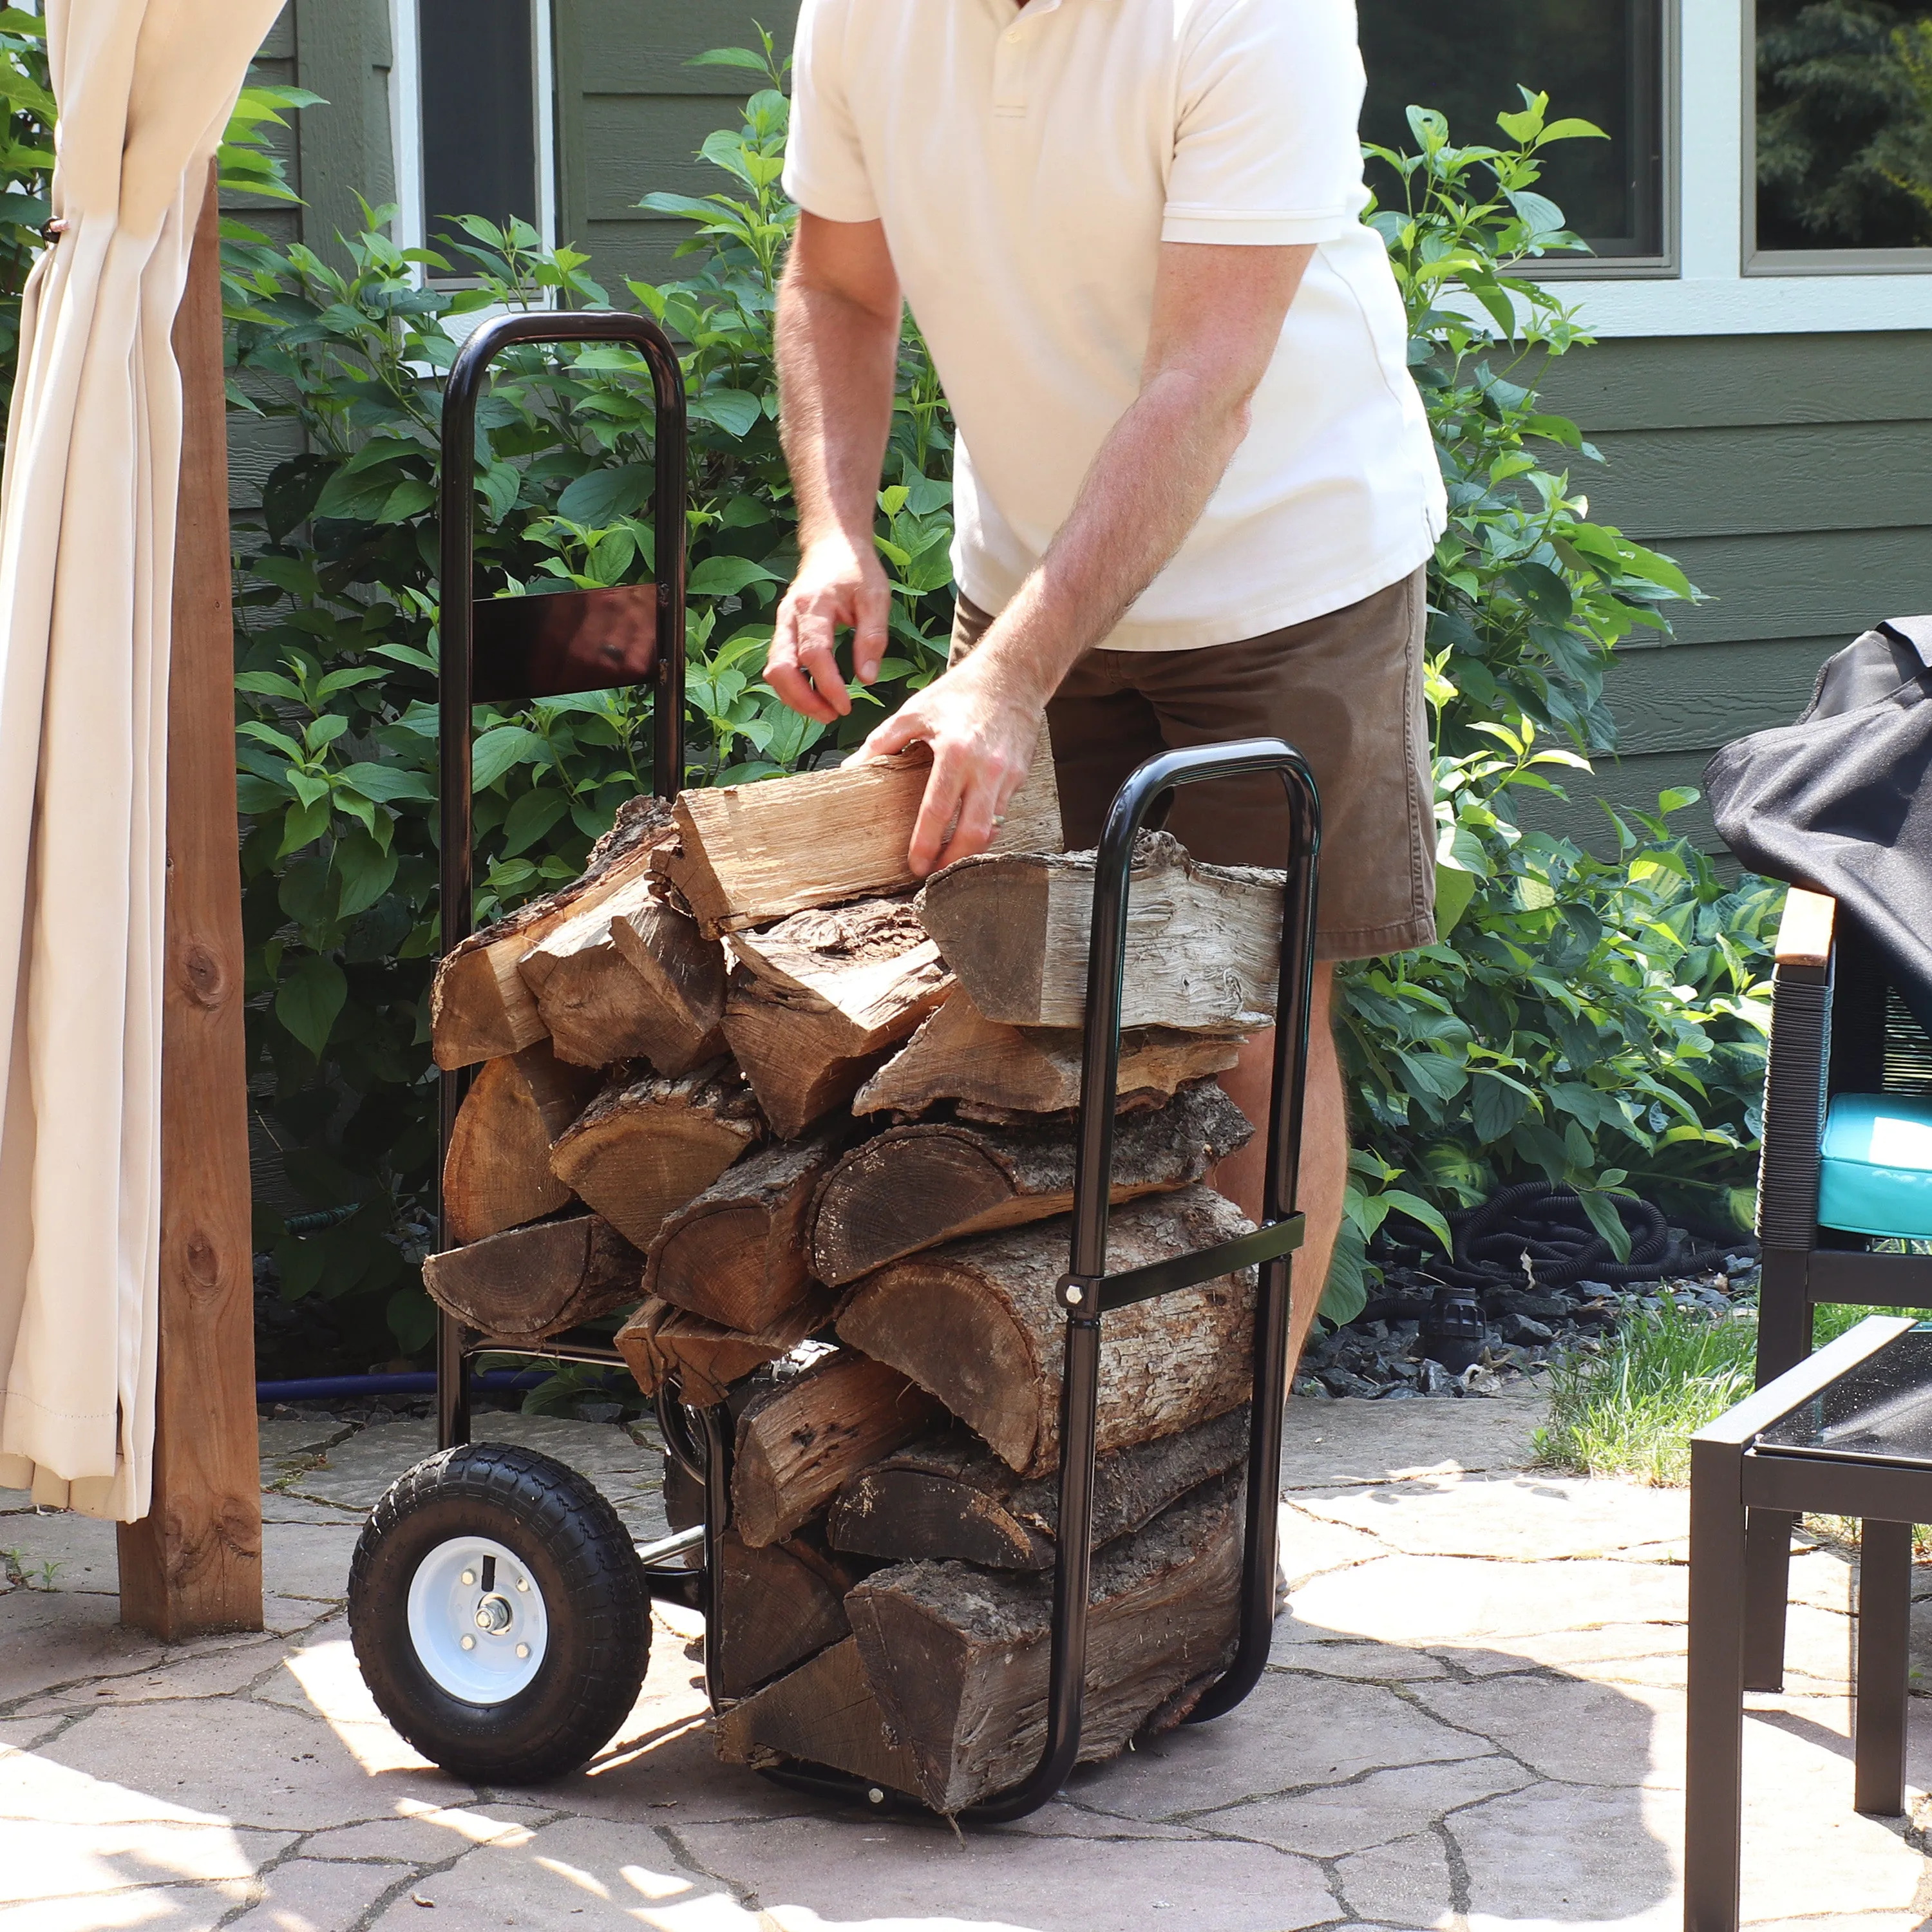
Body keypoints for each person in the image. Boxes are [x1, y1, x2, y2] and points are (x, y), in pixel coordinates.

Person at [764, 0, 1446, 1363]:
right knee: (987, 1001)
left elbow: (1204, 382)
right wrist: (833, 533)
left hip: (1284, 575)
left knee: (1242, 1011)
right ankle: (1028, 1457)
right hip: (1028, 566)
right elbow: (836, 285)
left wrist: (1010, 676)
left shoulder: (1256, 16)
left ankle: (1225, 1490)